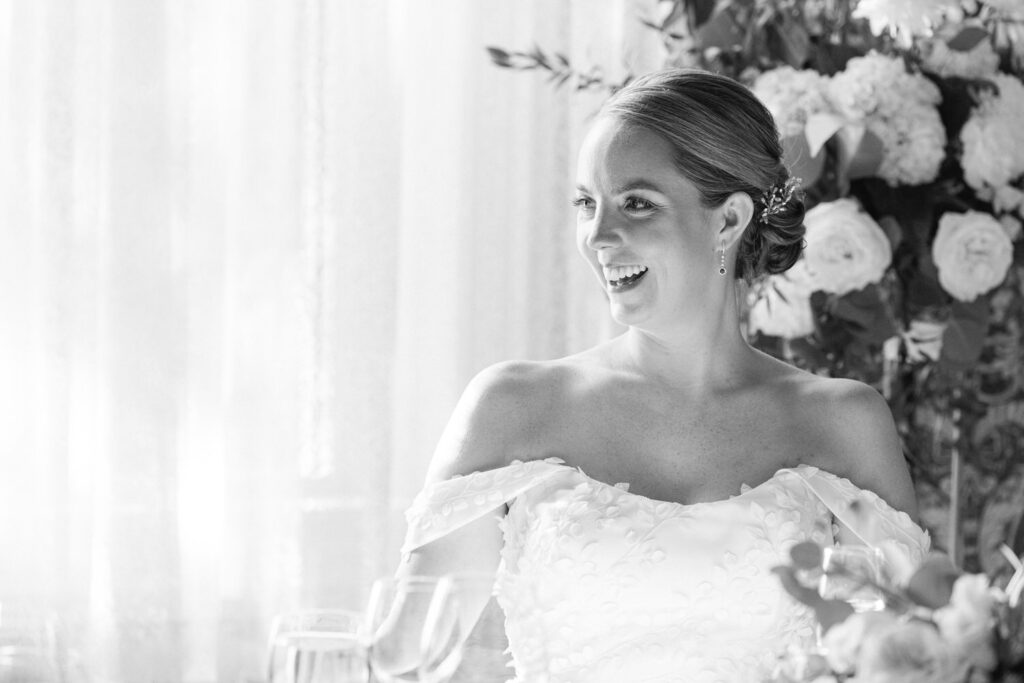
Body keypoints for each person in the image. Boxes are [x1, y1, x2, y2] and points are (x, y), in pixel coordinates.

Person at [396, 69, 930, 682]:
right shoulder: (512, 407)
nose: (598, 235)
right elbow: (406, 660)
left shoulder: (843, 423)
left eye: (637, 204)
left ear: (728, 221)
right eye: (586, 204)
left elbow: (893, 663)